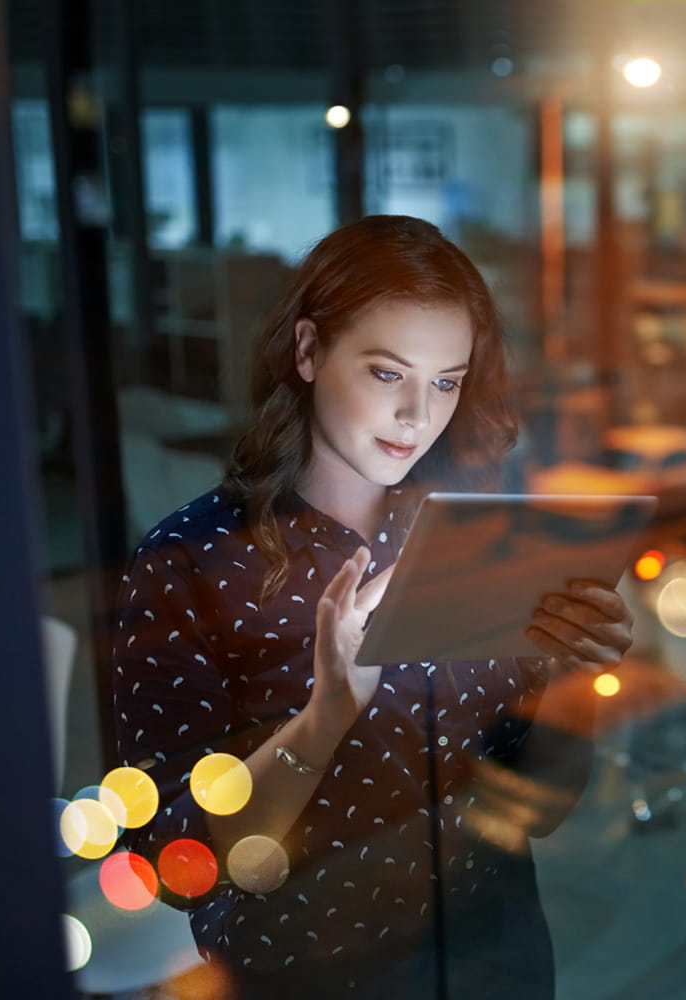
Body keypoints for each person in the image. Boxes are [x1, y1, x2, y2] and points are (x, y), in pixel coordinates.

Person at [110, 215, 633, 998]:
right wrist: (326, 717)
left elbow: (537, 805)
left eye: (446, 382)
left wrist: (575, 671)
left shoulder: (469, 535)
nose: (418, 416)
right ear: (311, 350)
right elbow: (175, 862)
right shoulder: (189, 562)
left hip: (498, 957)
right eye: (387, 373)